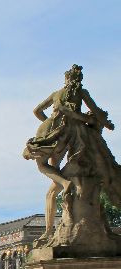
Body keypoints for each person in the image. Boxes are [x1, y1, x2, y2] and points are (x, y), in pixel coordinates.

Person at [23, 64, 115, 243]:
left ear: (65, 80)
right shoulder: (82, 94)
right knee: (52, 182)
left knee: (44, 169)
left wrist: (49, 121)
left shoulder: (56, 94)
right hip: (67, 136)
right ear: (78, 81)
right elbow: (96, 112)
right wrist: (104, 123)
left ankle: (49, 229)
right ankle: (64, 184)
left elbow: (36, 111)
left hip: (48, 131)